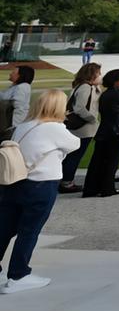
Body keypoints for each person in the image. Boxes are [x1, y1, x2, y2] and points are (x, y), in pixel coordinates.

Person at [0, 90, 80, 293]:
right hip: (41, 184)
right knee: (29, 231)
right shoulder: (54, 128)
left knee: (6, 228)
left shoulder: (23, 126)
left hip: (15, 181)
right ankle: (18, 274)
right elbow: (75, 143)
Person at [82, 69, 119, 198]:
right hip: (115, 133)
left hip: (104, 131)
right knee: (112, 162)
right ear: (116, 81)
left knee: (97, 162)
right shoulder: (117, 94)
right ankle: (107, 188)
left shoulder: (106, 94)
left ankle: (91, 188)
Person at [59, 63, 101, 194]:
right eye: (98, 73)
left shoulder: (83, 86)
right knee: (75, 156)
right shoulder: (85, 87)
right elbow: (79, 108)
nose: (100, 76)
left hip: (81, 127)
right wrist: (94, 119)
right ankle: (66, 182)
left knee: (72, 155)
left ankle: (64, 180)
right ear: (92, 75)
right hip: (83, 128)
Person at [0, 66, 35, 134]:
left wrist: (13, 127)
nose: (10, 74)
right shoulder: (16, 87)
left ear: (20, 76)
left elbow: (18, 107)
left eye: (13, 72)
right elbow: (3, 97)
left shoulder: (22, 87)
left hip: (14, 125)